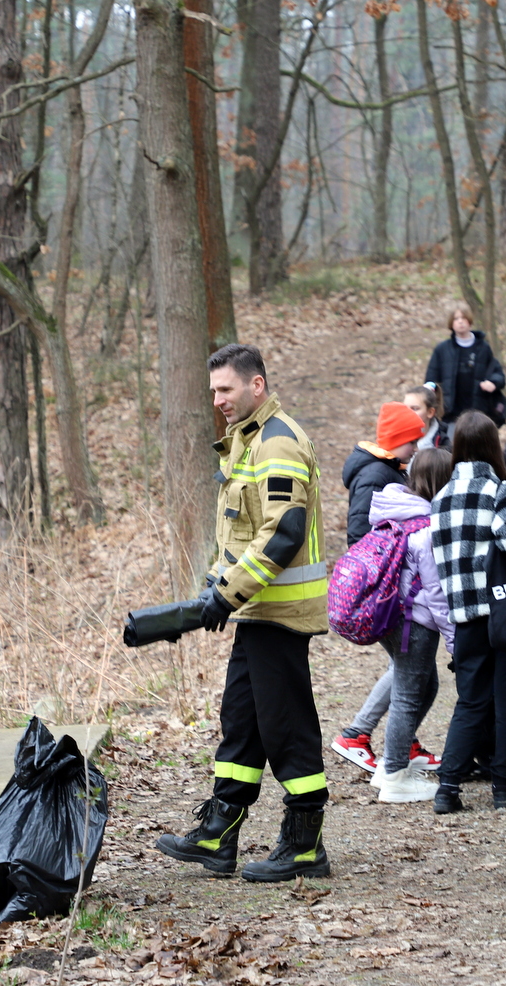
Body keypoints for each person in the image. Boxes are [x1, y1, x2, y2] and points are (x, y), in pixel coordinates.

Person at [155, 344, 334, 881]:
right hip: (255, 610)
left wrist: (223, 596)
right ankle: (218, 834)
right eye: (213, 391)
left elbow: (282, 535)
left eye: (226, 390)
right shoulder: (248, 442)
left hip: (279, 614)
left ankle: (305, 845)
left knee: (287, 728)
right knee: (243, 723)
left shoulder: (276, 443)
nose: (218, 401)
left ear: (256, 385)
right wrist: (214, 590)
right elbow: (241, 538)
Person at [429, 410, 506, 813]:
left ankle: (447, 788)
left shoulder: (439, 499)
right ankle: (503, 788)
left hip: (465, 615)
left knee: (471, 701)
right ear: (494, 446)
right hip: (502, 611)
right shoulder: (499, 490)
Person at [365, 449, 457, 802]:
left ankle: (392, 761)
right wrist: (454, 640)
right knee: (407, 693)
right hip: (412, 623)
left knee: (425, 685)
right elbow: (436, 596)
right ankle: (394, 778)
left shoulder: (395, 511)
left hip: (388, 617)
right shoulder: (428, 527)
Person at [342, 402, 424, 545]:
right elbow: (359, 530)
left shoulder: (391, 469)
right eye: (412, 442)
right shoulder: (375, 475)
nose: (416, 449)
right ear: (396, 440)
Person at [424, 307, 506, 428]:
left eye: (463, 318)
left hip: (478, 412)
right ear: (451, 324)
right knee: (451, 445)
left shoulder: (483, 347)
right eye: (456, 319)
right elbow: (431, 380)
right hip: (449, 414)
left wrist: (493, 383)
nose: (460, 321)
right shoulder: (442, 349)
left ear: (470, 321)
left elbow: (497, 373)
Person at [403, 384, 452, 449]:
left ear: (430, 412)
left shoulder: (443, 445)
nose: (407, 413)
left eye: (415, 408)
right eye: (405, 408)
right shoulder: (395, 440)